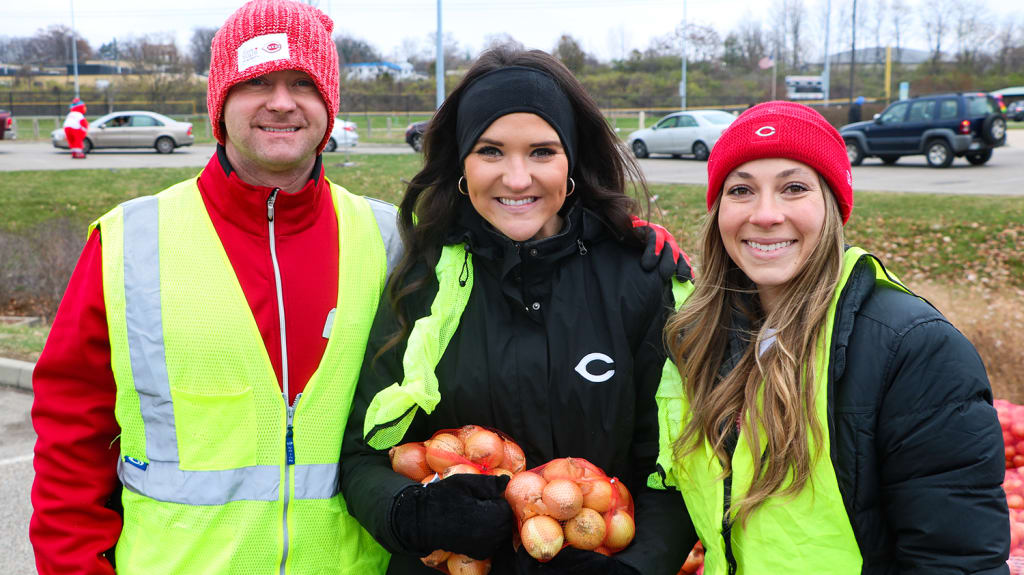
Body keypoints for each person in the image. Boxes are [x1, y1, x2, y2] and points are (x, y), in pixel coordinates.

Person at [29, 1, 403, 573]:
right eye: (256, 81)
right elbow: (72, 436)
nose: (282, 101)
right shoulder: (129, 242)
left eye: (303, 82)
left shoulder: (390, 240)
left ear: (329, 104)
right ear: (220, 105)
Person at [339, 46, 696, 575]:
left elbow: (677, 465)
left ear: (572, 161)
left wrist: (636, 568)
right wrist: (410, 514)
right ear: (461, 162)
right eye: (490, 151)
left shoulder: (639, 281)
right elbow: (365, 455)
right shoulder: (424, 281)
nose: (516, 178)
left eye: (541, 152)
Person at [653, 101, 1010, 573]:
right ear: (719, 210)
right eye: (741, 190)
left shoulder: (912, 349)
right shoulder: (702, 338)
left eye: (794, 188)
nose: (765, 214)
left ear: (834, 206)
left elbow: (954, 560)